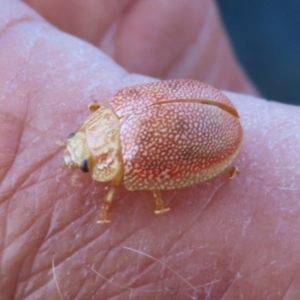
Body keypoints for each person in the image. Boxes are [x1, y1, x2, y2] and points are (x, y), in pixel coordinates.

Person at [1, 1, 299, 299]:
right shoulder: (115, 108)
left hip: (214, 126)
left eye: (83, 165)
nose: (72, 158)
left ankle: (226, 162)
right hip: (206, 105)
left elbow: (160, 179)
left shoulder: (129, 162)